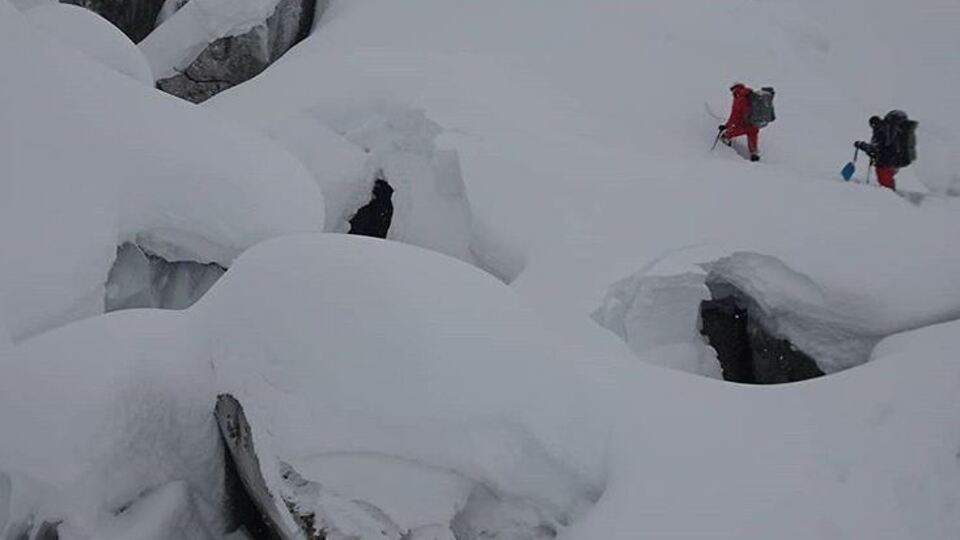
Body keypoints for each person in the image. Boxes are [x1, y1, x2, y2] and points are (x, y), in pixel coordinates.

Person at [854, 111, 915, 191]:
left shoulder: (881, 131)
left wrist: (862, 145)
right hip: (895, 161)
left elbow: (875, 149)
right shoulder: (889, 130)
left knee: (885, 185)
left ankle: (891, 197)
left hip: (886, 163)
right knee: (887, 180)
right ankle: (892, 193)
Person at [719, 82, 761, 162]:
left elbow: (734, 116)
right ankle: (754, 154)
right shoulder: (751, 96)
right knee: (752, 138)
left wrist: (726, 126)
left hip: (743, 126)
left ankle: (725, 146)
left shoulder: (739, 99)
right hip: (754, 125)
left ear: (735, 90)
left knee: (726, 135)